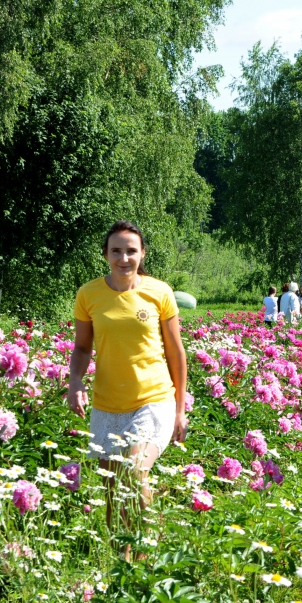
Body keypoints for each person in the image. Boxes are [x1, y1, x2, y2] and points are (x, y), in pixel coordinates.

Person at [68, 220, 188, 557]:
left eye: (131, 250)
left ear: (142, 253)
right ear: (105, 254)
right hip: (107, 405)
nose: (124, 257)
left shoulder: (159, 292)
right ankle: (121, 563)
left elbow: (177, 351)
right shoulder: (89, 294)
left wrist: (179, 409)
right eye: (116, 250)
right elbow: (81, 348)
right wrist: (75, 382)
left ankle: (148, 557)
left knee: (135, 473)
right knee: (112, 489)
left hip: (153, 399)